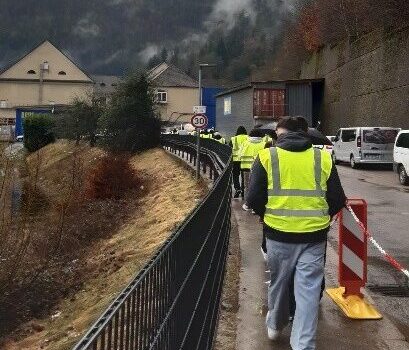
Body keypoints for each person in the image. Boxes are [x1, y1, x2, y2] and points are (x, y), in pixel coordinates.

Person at [247, 116, 346, 350]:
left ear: (280, 134)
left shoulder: (267, 156)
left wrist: (267, 215)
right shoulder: (322, 157)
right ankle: (303, 345)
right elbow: (337, 198)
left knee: (279, 283)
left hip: (277, 234)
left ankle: (275, 324)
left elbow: (252, 198)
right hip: (314, 236)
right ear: (306, 134)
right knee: (308, 292)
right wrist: (321, 217)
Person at [239, 128, 266, 210]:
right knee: (259, 186)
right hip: (260, 169)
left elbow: (240, 155)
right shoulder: (264, 144)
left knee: (248, 186)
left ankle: (248, 203)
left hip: (246, 167)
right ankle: (258, 206)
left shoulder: (245, 143)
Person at [229, 126, 248, 199]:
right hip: (244, 159)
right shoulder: (248, 138)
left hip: (235, 160)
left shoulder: (234, 138)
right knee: (244, 175)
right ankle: (243, 190)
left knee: (236, 175)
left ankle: (237, 188)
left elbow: (229, 148)